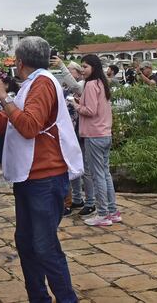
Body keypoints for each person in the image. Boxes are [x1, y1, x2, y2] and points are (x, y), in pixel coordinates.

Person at [0, 37, 82, 303]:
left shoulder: (43, 83)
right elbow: (11, 123)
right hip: (30, 177)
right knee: (27, 243)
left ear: (19, 62)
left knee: (44, 247)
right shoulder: (32, 84)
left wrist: (2, 95)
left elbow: (29, 126)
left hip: (44, 178)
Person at [71, 54, 119, 227]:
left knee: (98, 175)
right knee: (105, 174)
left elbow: (90, 110)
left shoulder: (91, 84)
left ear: (94, 67)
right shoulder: (101, 83)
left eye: (85, 67)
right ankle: (112, 211)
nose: (82, 70)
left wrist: (75, 105)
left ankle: (103, 213)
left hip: (94, 134)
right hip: (105, 133)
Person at [51, 57, 93, 216]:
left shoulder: (83, 86)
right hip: (71, 130)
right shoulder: (67, 88)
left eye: (71, 70)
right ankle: (77, 198)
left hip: (81, 130)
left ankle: (90, 202)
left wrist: (62, 66)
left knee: (85, 169)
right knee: (72, 167)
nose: (67, 73)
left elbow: (75, 87)